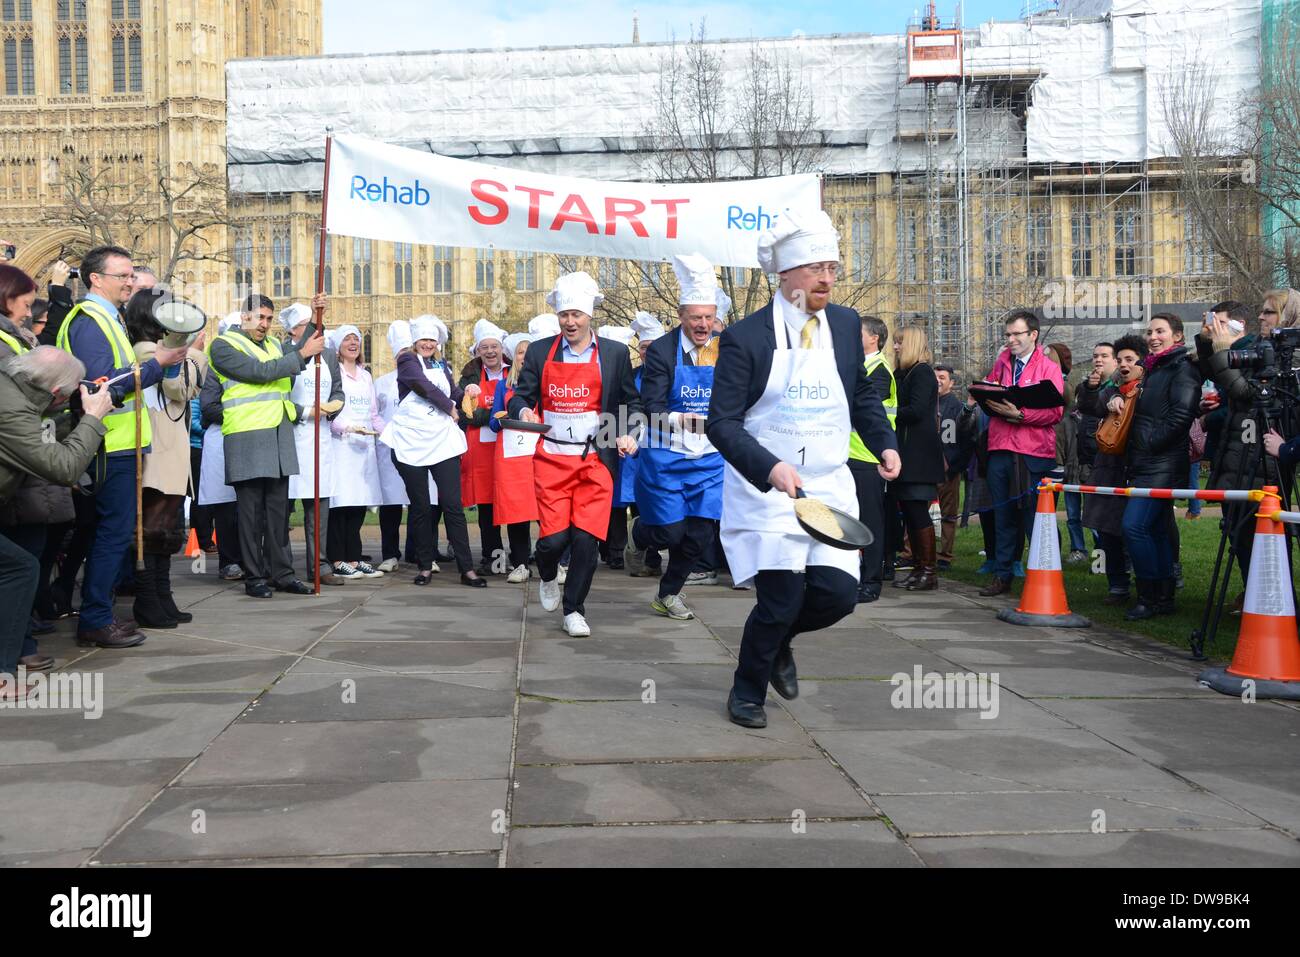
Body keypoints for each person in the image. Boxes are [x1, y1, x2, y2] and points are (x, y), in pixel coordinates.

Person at [708, 208, 900, 728]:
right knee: (780, 598)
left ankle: (781, 644)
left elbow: (859, 391)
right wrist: (769, 469)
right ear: (786, 274)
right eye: (816, 268)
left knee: (839, 596)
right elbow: (721, 424)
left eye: (833, 268)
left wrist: (884, 441)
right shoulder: (746, 338)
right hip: (768, 490)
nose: (827, 279)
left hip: (830, 482)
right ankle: (747, 691)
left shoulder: (842, 323)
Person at [55, 245, 189, 647]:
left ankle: (99, 612)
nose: (131, 282)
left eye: (132, 276)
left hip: (120, 444)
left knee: (110, 534)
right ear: (96, 279)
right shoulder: (90, 320)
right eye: (123, 276)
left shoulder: (107, 318)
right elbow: (103, 385)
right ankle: (95, 618)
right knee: (112, 535)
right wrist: (157, 365)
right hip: (108, 446)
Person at [508, 272, 642, 637]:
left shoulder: (613, 354)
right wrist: (523, 411)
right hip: (552, 459)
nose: (570, 321)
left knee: (586, 538)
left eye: (576, 315)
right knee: (552, 541)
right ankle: (548, 575)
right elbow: (521, 395)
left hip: (595, 460)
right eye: (564, 315)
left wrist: (626, 434)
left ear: (589, 316)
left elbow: (632, 402)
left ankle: (574, 610)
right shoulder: (539, 351)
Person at [0, 346, 114, 698]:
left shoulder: (12, 388)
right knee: (20, 568)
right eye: (64, 397)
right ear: (54, 394)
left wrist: (74, 413)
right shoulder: (13, 410)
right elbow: (63, 468)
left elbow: (39, 439)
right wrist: (93, 419)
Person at [626, 253, 726, 621]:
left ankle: (669, 594)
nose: (703, 325)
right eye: (695, 317)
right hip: (667, 454)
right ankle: (640, 534)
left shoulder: (725, 347)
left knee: (699, 536)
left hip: (710, 457)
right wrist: (677, 418)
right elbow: (650, 402)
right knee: (670, 533)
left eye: (708, 317)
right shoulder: (664, 352)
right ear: (682, 316)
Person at [207, 293, 325, 598]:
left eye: (269, 319)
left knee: (277, 515)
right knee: (250, 515)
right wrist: (300, 356)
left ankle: (282, 573)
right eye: (259, 317)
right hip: (246, 436)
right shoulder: (223, 347)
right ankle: (254, 576)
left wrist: (314, 316)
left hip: (277, 436)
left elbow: (300, 352)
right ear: (244, 315)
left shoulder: (274, 345)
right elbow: (259, 373)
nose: (265, 324)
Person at [0, 265, 71, 671]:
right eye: (27, 303)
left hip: (28, 462)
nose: (31, 313)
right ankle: (14, 654)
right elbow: (22, 404)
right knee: (24, 560)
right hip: (24, 458)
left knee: (30, 555)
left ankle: (20, 645)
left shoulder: (17, 339)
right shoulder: (7, 345)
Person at [124, 288, 208, 628]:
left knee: (164, 528)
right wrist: (196, 354)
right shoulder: (147, 350)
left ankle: (162, 595)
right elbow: (181, 388)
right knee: (153, 528)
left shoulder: (159, 350)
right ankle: (148, 600)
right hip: (159, 447)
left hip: (168, 444)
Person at [379, 314, 484, 588]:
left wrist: (467, 394)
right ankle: (425, 566)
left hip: (440, 439)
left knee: (452, 505)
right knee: (421, 507)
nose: (427, 344)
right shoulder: (407, 360)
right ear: (415, 341)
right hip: (411, 439)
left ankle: (467, 568)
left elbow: (453, 390)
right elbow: (422, 387)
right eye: (423, 340)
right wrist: (449, 407)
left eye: (432, 340)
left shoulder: (440, 363)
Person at [1197, 300, 1279, 611]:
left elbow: (1247, 395)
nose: (1262, 316)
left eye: (1218, 322)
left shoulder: (1262, 352)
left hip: (1257, 455)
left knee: (1256, 530)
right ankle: (1253, 594)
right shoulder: (1235, 352)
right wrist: (1209, 346)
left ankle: (1267, 598)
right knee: (1237, 529)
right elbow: (1225, 388)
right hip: (1235, 451)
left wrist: (1220, 354)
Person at [978, 311, 1064, 597]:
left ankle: (1047, 576)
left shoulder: (1048, 367)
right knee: (1003, 516)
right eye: (1008, 335)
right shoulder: (1001, 364)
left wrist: (1022, 414)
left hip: (1033, 452)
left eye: (1016, 334)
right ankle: (1002, 575)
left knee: (1035, 517)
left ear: (1033, 335)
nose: (1011, 340)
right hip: (1001, 448)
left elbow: (1056, 411)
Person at [1120, 313, 1200, 619]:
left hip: (1162, 463)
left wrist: (1149, 442)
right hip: (1145, 462)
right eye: (1150, 331)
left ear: (1177, 336)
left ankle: (1150, 595)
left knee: (1134, 526)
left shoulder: (1182, 368)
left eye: (1160, 331)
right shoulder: (1153, 369)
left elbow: (1181, 416)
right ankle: (1162, 597)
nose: (1153, 336)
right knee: (1153, 530)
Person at [279, 300, 345, 587]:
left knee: (318, 507)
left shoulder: (329, 356)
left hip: (321, 439)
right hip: (291, 438)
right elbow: (279, 397)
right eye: (309, 326)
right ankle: (279, 567)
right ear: (294, 331)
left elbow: (339, 391)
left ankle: (319, 563)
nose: (316, 332)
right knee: (282, 508)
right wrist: (306, 412)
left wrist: (334, 406)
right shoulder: (282, 353)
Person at [1078, 335, 1143, 605]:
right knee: (1107, 529)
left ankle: (1157, 583)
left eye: (1129, 359)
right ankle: (1117, 585)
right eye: (1120, 360)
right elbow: (1089, 406)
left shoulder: (1148, 389)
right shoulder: (1111, 389)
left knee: (1137, 529)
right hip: (1108, 467)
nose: (1123, 365)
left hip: (1139, 468)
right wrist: (1100, 392)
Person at [326, 324, 385, 580]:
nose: (353, 343)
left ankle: (354, 557)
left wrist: (390, 433)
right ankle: (337, 559)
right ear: (338, 346)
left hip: (364, 447)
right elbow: (328, 411)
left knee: (359, 504)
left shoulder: (365, 375)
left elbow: (373, 414)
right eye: (347, 339)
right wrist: (348, 428)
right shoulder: (332, 373)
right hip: (341, 446)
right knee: (341, 505)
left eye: (356, 339)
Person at [890, 325, 945, 591]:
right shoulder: (904, 373)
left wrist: (888, 411)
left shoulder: (921, 373)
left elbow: (916, 410)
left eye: (900, 343)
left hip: (918, 455)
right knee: (910, 514)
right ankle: (919, 567)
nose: (896, 347)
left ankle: (929, 570)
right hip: (908, 453)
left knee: (917, 512)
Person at [848, 316, 896, 603]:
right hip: (852, 455)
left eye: (859, 333)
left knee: (870, 521)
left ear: (874, 338)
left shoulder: (878, 370)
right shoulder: (862, 367)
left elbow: (862, 410)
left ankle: (871, 581)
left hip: (868, 457)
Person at [459, 318, 512, 575]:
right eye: (485, 347)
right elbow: (465, 414)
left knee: (511, 501)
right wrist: (494, 414)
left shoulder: (514, 371)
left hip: (508, 448)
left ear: (501, 349)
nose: (490, 351)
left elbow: (515, 408)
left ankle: (521, 556)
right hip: (480, 451)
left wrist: (486, 412)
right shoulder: (468, 375)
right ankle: (493, 558)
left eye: (494, 346)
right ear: (478, 351)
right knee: (486, 506)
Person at [197, 313, 246, 581]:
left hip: (248, 439)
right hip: (223, 438)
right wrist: (242, 415)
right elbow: (208, 406)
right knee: (226, 506)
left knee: (247, 507)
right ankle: (229, 561)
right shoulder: (215, 367)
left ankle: (249, 558)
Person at [489, 329, 541, 583]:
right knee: (516, 510)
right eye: (521, 352)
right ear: (515, 357)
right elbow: (492, 422)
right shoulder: (503, 386)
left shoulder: (546, 383)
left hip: (540, 454)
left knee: (547, 509)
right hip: (512, 456)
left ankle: (554, 563)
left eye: (530, 351)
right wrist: (503, 420)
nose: (525, 356)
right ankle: (520, 563)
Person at [374, 319, 424, 573]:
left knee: (418, 501)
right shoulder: (382, 382)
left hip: (417, 446)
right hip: (390, 448)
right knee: (391, 502)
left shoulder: (423, 377)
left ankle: (417, 552)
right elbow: (374, 414)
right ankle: (390, 553)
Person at [619, 311, 665, 579]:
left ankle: (650, 549)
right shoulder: (633, 375)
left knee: (661, 500)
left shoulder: (671, 375)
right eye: (644, 348)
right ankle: (649, 556)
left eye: (652, 348)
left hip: (663, 445)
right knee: (639, 499)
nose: (648, 353)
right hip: (637, 446)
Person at [596, 323, 638, 570]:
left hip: (629, 443)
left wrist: (627, 434)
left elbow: (633, 406)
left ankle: (624, 549)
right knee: (609, 500)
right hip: (603, 440)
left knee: (627, 499)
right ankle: (610, 549)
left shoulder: (630, 376)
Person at [1044, 342, 1085, 563]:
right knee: (1049, 509)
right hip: (1055, 455)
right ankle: (1053, 550)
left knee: (1073, 510)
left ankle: (1080, 549)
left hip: (1069, 457)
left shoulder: (1062, 386)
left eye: (1048, 355)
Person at [933, 362, 972, 572]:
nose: (938, 381)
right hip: (926, 467)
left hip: (949, 469)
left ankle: (945, 555)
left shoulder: (957, 407)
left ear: (951, 382)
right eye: (935, 377)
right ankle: (912, 552)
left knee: (948, 513)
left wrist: (955, 466)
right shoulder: (926, 403)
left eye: (942, 377)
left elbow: (966, 441)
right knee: (918, 511)